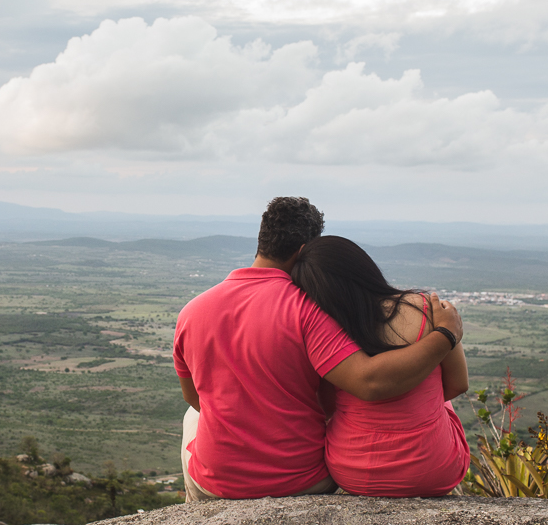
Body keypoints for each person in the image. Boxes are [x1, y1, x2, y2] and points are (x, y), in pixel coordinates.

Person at [173, 197, 463, 501]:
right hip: (303, 481)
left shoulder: (192, 311)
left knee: (192, 418)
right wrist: (445, 334)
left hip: (217, 481)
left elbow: (194, 397)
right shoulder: (308, 309)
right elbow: (368, 382)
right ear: (304, 253)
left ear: (262, 240)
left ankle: (196, 515)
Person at [290, 235, 469, 497]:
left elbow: (327, 405)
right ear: (363, 266)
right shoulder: (426, 309)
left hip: (353, 472)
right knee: (439, 400)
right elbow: (457, 384)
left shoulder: (322, 330)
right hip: (433, 470)